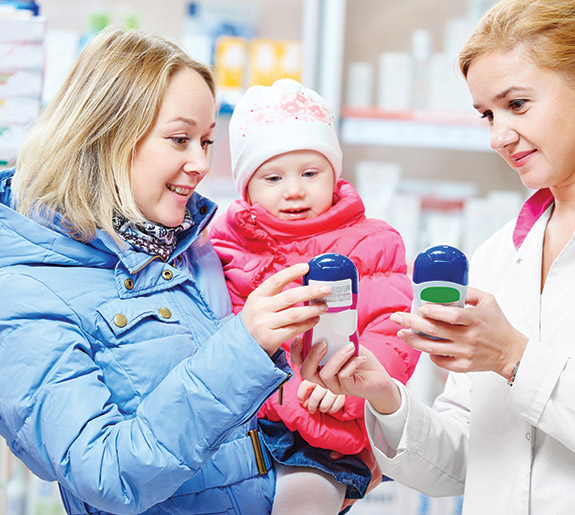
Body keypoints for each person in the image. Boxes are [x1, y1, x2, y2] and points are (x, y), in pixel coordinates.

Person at [0, 29, 333, 515]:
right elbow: (104, 472)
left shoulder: (186, 248)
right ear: (106, 132)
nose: (199, 163)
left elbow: (229, 434)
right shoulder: (26, 288)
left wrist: (328, 461)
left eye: (205, 141)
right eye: (180, 139)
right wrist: (244, 346)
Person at [296, 0, 575, 513]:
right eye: (487, 114)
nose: (498, 136)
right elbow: (464, 461)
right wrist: (382, 396)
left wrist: (514, 358)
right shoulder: (496, 259)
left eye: (517, 105)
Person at [209, 78, 420, 515]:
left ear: (334, 173)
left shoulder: (371, 242)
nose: (294, 190)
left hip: (325, 430)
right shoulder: (226, 247)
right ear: (246, 187)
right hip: (239, 428)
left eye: (310, 172)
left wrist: (352, 390)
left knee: (305, 498)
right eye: (273, 177)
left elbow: (391, 332)